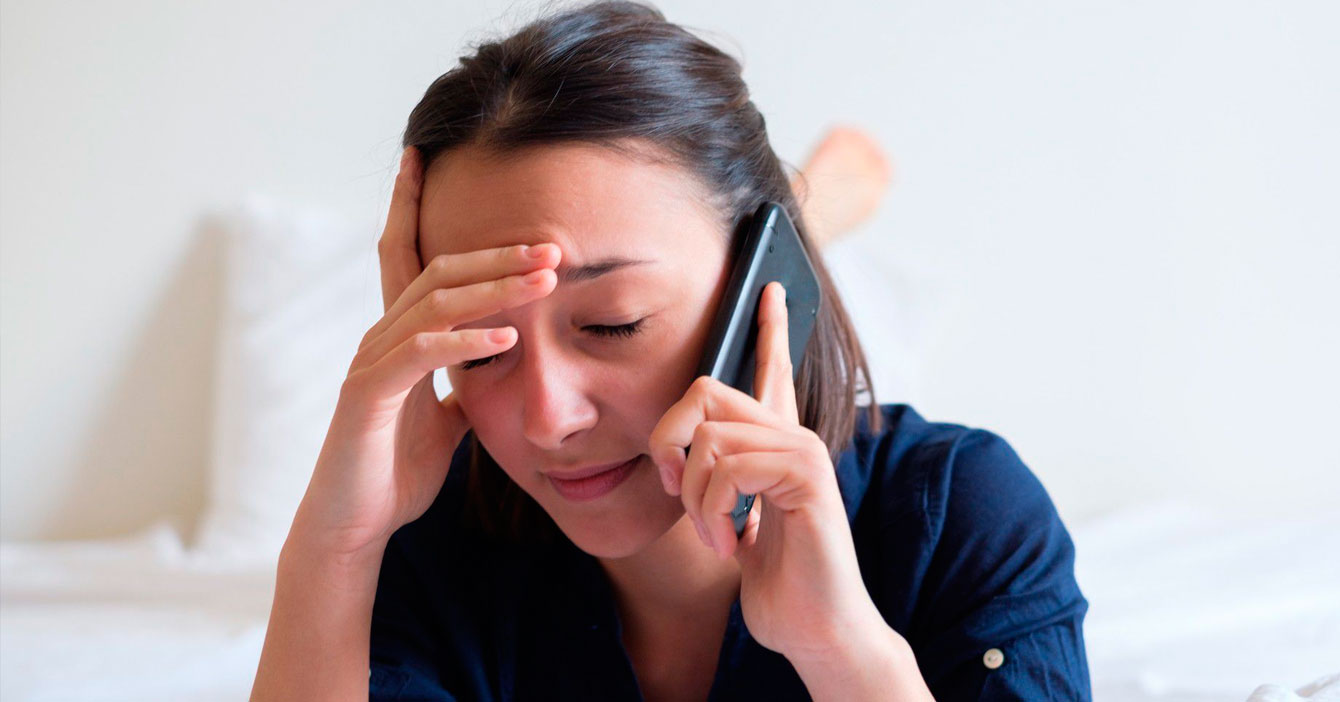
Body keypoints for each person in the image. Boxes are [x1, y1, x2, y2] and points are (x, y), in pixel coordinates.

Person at [249, 2, 1090, 700]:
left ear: (764, 279)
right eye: (480, 347)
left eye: (613, 323)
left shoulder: (962, 517)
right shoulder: (436, 549)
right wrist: (335, 550)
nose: (547, 421)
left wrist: (841, 651)